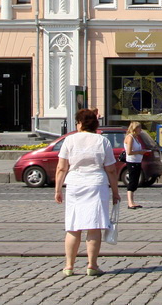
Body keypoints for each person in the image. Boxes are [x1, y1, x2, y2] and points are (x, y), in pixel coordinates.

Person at [54, 108, 120, 277]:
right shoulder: (102, 141)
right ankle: (92, 265)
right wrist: (115, 192)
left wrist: (58, 189)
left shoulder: (70, 140)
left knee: (73, 226)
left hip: (75, 184)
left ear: (80, 123)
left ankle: (69, 266)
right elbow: (111, 169)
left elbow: (61, 167)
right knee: (94, 226)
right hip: (96, 184)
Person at [123, 122, 151, 210]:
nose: (140, 130)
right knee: (132, 181)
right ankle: (130, 202)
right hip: (132, 162)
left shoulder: (136, 138)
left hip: (137, 161)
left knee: (135, 181)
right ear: (134, 128)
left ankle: (132, 201)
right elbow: (129, 152)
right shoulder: (130, 137)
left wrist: (143, 151)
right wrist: (140, 152)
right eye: (139, 128)